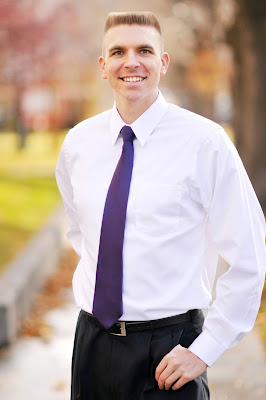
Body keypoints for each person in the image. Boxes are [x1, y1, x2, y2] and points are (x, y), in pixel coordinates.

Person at [55, 11, 266, 400]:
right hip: (92, 344)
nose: (131, 61)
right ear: (103, 66)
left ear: (163, 63)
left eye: (144, 50)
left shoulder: (206, 142)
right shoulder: (78, 143)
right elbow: (81, 232)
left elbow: (249, 255)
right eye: (118, 51)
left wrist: (206, 348)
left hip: (170, 351)